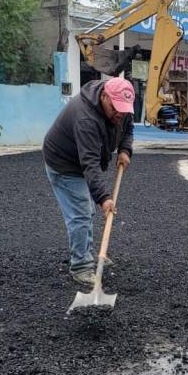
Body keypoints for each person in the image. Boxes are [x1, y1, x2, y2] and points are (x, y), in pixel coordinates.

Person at [42, 77, 134, 286]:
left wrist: (125, 150)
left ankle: (89, 253)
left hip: (81, 159)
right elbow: (90, 163)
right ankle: (81, 266)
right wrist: (104, 198)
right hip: (63, 163)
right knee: (81, 213)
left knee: (86, 210)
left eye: (123, 109)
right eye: (115, 107)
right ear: (103, 96)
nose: (119, 113)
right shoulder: (86, 118)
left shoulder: (122, 109)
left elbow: (128, 129)